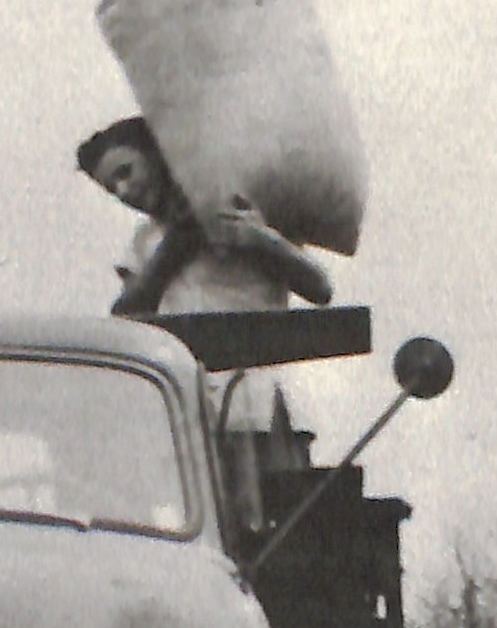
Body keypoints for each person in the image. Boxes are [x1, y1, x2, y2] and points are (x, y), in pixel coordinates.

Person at [77, 117, 332, 532]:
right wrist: (175, 247)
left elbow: (320, 287)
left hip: (260, 399)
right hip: (193, 404)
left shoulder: (237, 208)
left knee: (280, 531)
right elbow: (126, 314)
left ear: (157, 156)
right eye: (112, 188)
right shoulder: (144, 243)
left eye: (127, 172)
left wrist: (259, 239)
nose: (124, 191)